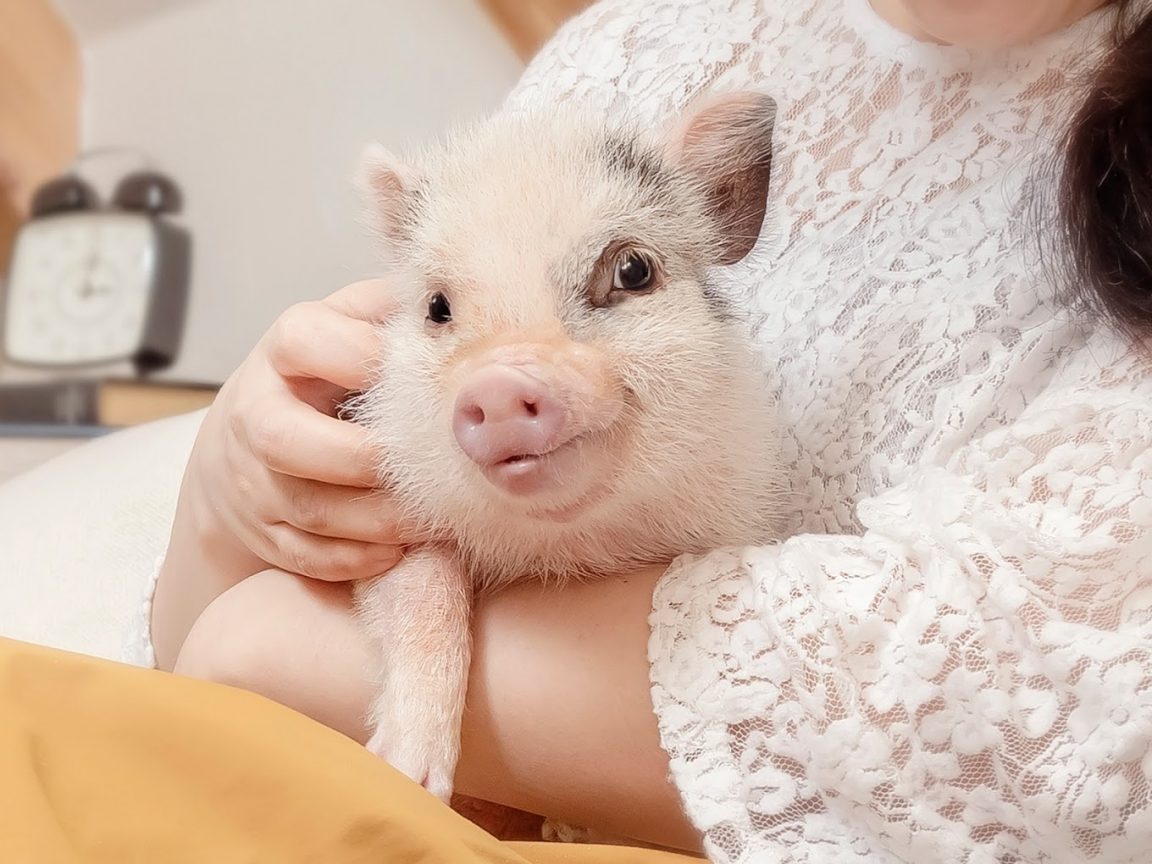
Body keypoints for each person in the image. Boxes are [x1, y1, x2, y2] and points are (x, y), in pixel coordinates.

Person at [140, 0, 1152, 860]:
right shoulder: (627, 42)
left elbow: (1030, 728)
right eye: (439, 315)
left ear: (724, 206)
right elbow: (186, 670)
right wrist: (226, 500)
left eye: (628, 275)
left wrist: (261, 637)